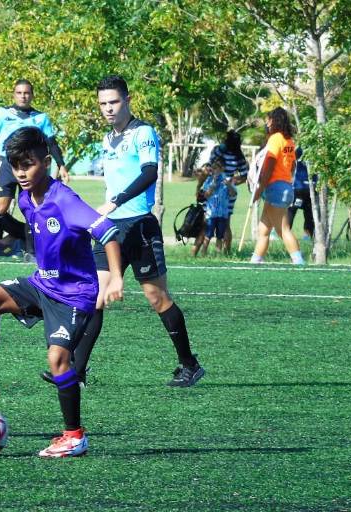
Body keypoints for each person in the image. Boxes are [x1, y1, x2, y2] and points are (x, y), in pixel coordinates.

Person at [0, 127, 123, 458]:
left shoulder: (65, 200)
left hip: (74, 295)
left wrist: (116, 277)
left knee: (57, 359)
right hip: (42, 284)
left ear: (46, 162)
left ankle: (74, 436)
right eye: (16, 164)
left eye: (28, 164)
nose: (21, 171)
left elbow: (108, 231)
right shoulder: (24, 197)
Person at [59, 75, 204, 388]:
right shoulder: (107, 139)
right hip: (110, 227)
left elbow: (149, 173)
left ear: (127, 99)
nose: (108, 109)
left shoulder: (144, 132)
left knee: (156, 297)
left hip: (138, 224)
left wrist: (117, 201)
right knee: (94, 296)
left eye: (113, 102)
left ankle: (189, 364)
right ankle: (77, 372)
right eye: (103, 104)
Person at [0, 79, 70, 262]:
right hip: (8, 164)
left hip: (31, 167)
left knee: (31, 206)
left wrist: (61, 164)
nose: (23, 96)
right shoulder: (4, 114)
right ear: (14, 94)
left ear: (32, 95)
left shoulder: (41, 118)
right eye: (19, 93)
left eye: (26, 93)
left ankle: (31, 252)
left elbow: (51, 143)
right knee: (1, 207)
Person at [250, 107, 305, 265]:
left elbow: (269, 164)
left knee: (283, 229)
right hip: (285, 187)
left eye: (269, 120)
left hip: (275, 188)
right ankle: (255, 261)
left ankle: (299, 262)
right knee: (264, 229)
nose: (267, 123)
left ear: (275, 120)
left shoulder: (275, 139)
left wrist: (259, 189)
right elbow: (293, 165)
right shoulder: (289, 141)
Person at [209, 130, 248, 252]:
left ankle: (218, 249)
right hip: (230, 192)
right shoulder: (239, 156)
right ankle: (226, 251)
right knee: (226, 222)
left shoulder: (218, 151)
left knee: (212, 220)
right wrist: (233, 182)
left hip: (215, 191)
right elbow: (245, 175)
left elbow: (210, 162)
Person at [198, 159, 236, 256]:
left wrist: (228, 185)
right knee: (208, 235)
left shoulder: (227, 180)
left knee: (220, 236)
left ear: (221, 169)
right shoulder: (209, 180)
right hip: (211, 213)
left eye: (216, 168)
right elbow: (205, 195)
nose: (214, 170)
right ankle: (203, 254)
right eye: (213, 168)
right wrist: (213, 184)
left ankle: (218, 255)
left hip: (222, 213)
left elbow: (233, 194)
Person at [286, 147, 315, 239]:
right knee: (308, 212)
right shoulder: (315, 149)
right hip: (311, 187)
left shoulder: (299, 150)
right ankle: (307, 235)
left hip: (300, 187)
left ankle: (285, 232)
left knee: (292, 210)